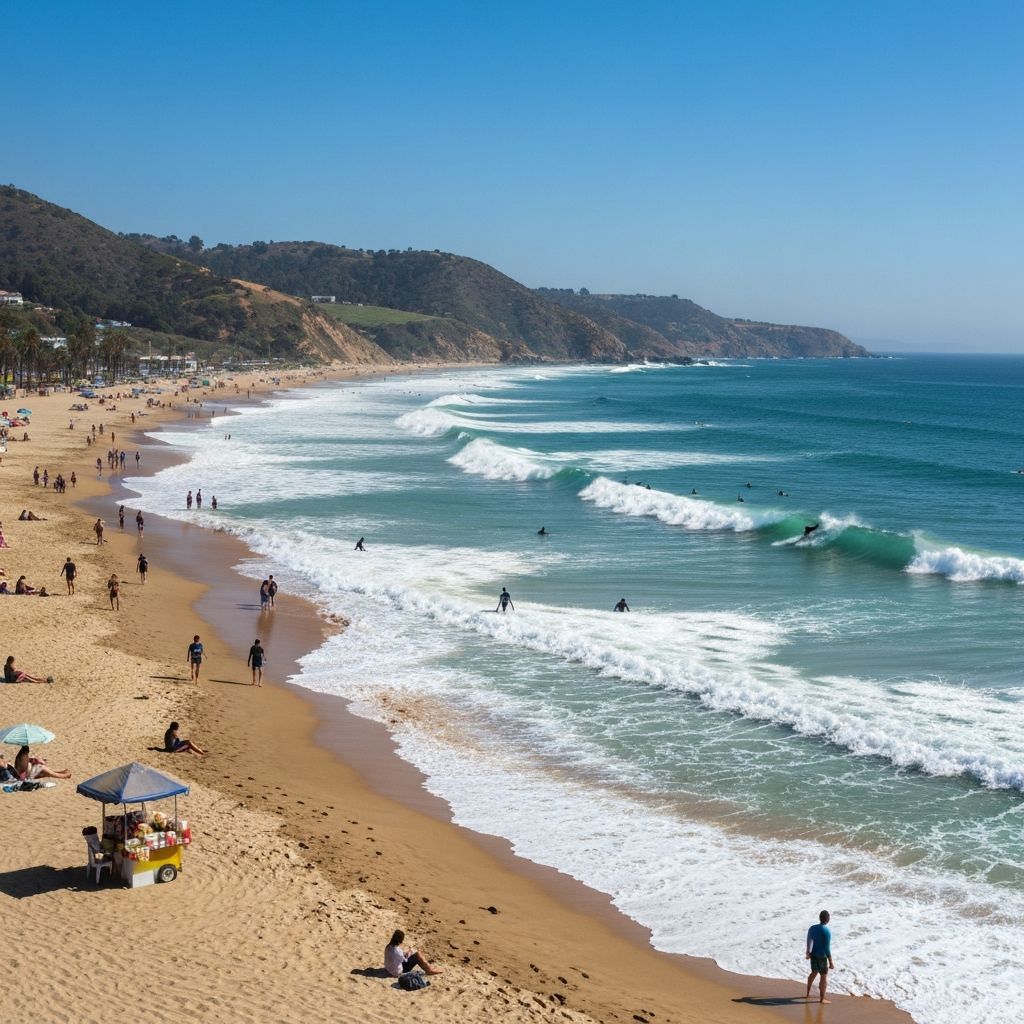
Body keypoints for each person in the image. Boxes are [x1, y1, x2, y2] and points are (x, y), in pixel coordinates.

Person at [804, 910, 834, 1004]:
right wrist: (831, 962)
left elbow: (809, 940)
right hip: (822, 957)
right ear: (827, 919)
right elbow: (827, 948)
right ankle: (822, 999)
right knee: (823, 977)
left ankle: (807, 993)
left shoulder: (812, 928)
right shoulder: (826, 931)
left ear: (820, 918)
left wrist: (808, 953)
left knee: (813, 973)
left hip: (813, 955)